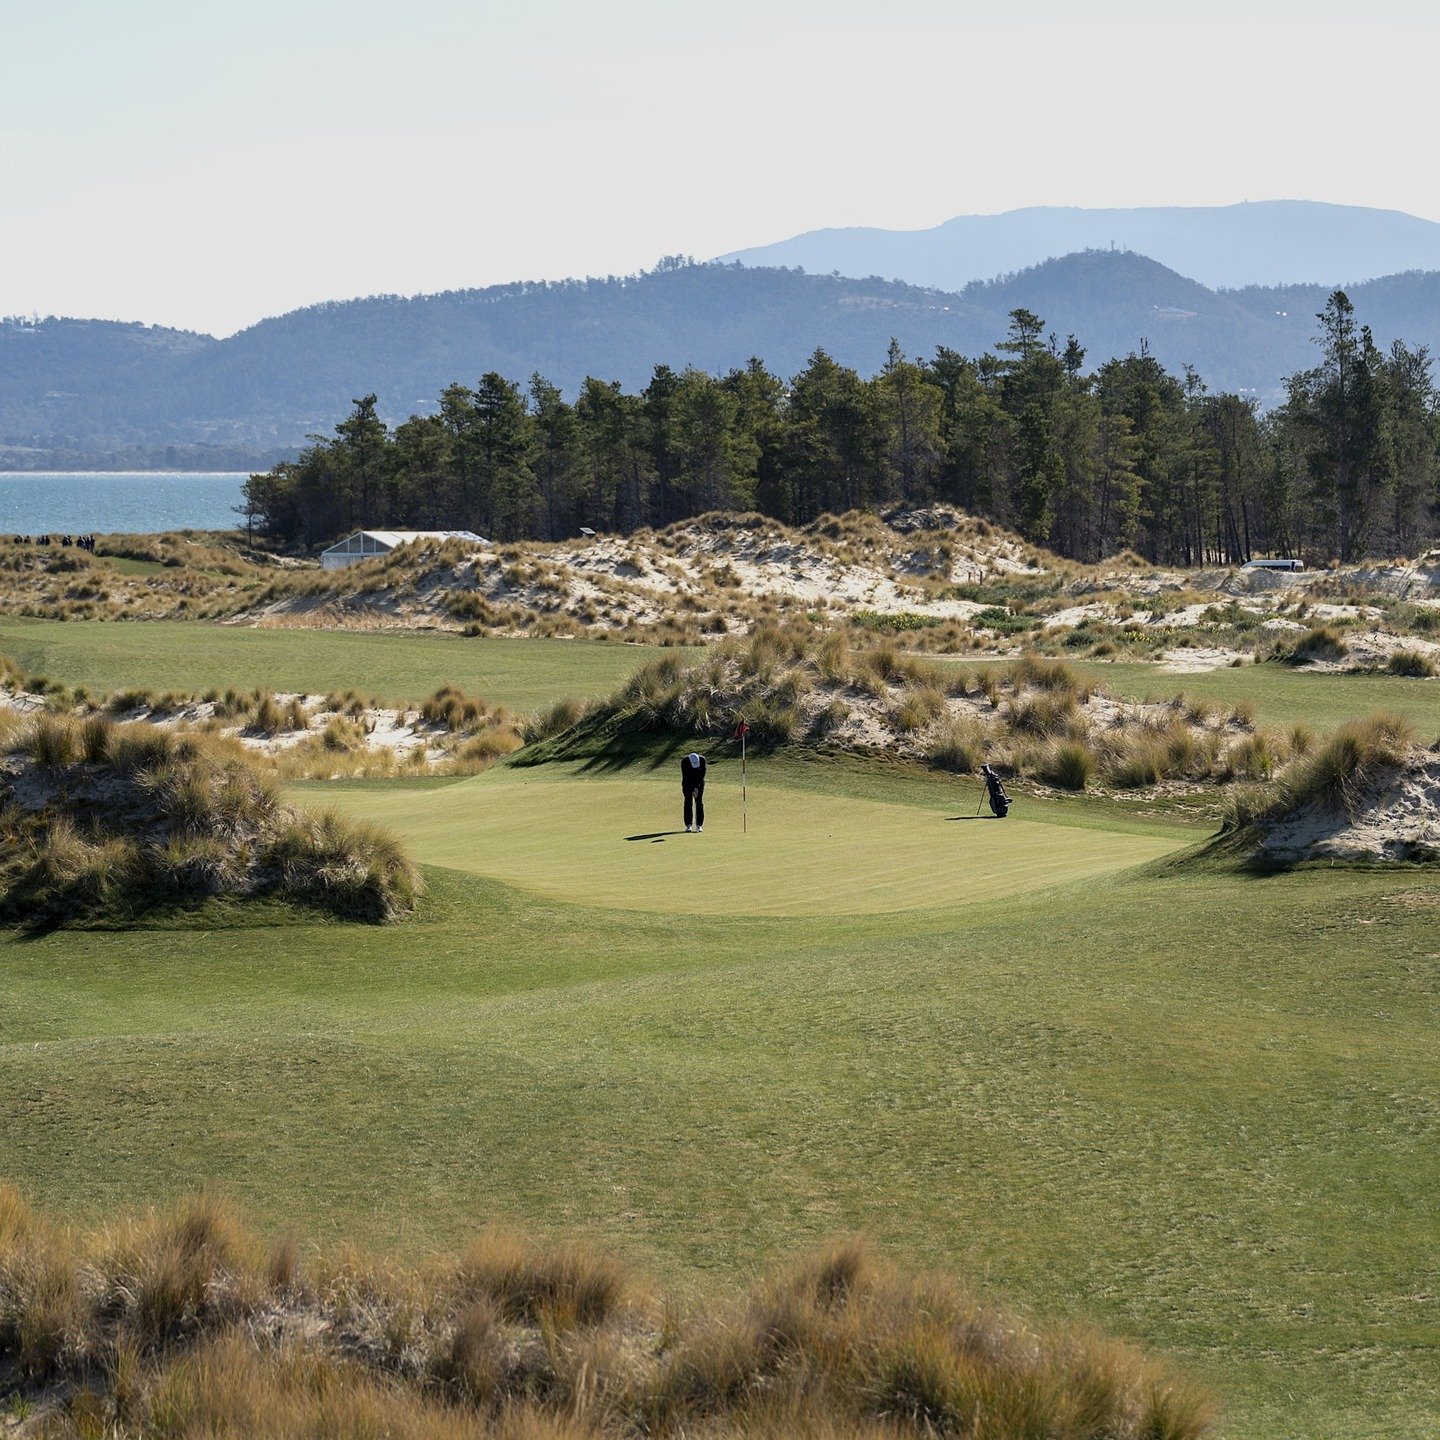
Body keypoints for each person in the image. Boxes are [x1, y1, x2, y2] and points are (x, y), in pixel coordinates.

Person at [681, 751, 706, 832]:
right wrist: (692, 789)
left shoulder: (702, 760)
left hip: (699, 784)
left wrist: (697, 787)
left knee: (699, 802)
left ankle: (699, 825)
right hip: (687, 784)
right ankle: (688, 825)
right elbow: (686, 777)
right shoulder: (685, 762)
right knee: (688, 803)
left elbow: (702, 774)